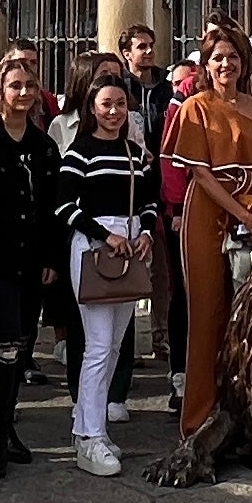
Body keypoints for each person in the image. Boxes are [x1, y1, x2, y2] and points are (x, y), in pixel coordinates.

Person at [165, 30, 252, 444]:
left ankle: (251, 414)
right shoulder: (195, 107)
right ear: (206, 64)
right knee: (207, 314)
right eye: (218, 58)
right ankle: (200, 419)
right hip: (208, 211)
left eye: (233, 57)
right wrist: (243, 216)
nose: (226, 65)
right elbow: (199, 173)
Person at [0, 54, 61, 476]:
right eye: (15, 85)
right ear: (0, 92)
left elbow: (54, 206)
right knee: (3, 346)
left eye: (29, 86)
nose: (23, 93)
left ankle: (6, 425)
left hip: (33, 263)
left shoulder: (44, 146)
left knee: (20, 348)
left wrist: (53, 258)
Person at [53, 75, 152, 475]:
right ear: (92, 107)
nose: (114, 112)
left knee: (114, 345)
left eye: (121, 105)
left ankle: (89, 425)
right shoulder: (80, 153)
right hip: (94, 249)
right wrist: (103, 235)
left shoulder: (133, 152)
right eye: (106, 104)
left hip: (128, 248)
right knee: (96, 345)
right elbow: (63, 206)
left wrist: (144, 230)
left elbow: (147, 199)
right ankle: (90, 436)